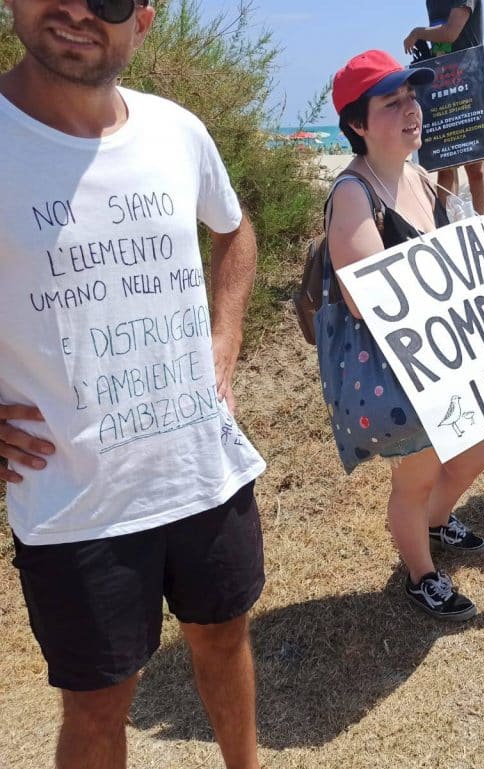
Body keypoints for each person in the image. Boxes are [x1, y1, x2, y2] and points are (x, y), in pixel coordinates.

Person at [0, 1, 267, 767]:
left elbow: (233, 227)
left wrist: (227, 333)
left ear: (143, 22)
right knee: (98, 702)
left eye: (110, 0)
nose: (80, 12)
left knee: (223, 637)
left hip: (200, 470)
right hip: (73, 499)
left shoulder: (176, 131)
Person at [326, 50, 484, 621]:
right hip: (405, 369)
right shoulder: (354, 194)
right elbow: (363, 296)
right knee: (417, 475)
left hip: (449, 354)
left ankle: (436, 523)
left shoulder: (421, 178)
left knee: (476, 450)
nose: (411, 111)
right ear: (357, 123)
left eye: (413, 98)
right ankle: (421, 572)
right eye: (392, 103)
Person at [403, 0, 484, 213]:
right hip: (440, 78)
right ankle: (446, 226)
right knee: (446, 164)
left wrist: (417, 33)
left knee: (475, 166)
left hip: (469, 78)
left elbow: (451, 33)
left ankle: (479, 223)